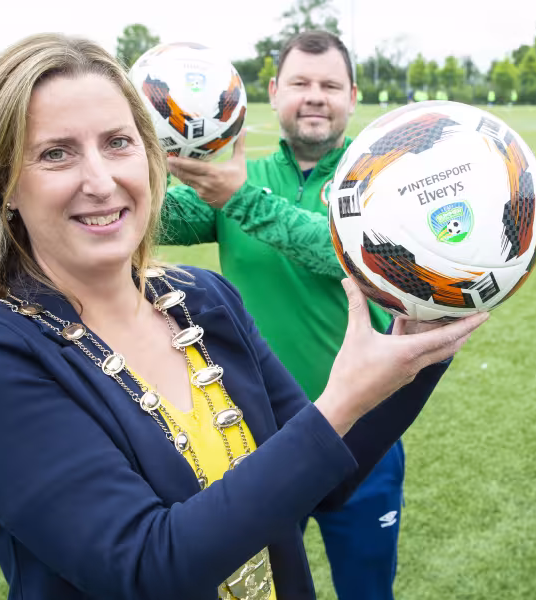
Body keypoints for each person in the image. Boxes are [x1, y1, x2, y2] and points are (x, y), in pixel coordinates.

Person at [0, 33, 488, 600]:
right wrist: (340, 401)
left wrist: (422, 335)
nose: (100, 181)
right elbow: (146, 568)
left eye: (118, 142)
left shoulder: (203, 299)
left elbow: (327, 483)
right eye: (56, 153)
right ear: (2, 188)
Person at [163, 31, 410, 600]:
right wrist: (149, 150)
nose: (315, 96)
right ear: (274, 92)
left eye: (329, 85)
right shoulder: (232, 177)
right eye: (300, 83)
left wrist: (239, 197)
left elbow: (344, 250)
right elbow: (151, 221)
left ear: (353, 96)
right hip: (256, 441)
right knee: (266, 591)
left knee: (367, 592)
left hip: (363, 434)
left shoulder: (379, 180)